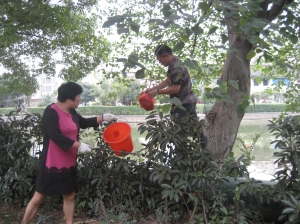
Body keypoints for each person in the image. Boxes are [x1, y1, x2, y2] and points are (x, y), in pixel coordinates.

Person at [22, 82, 118, 224]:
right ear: (69, 98)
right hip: (51, 162)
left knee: (70, 195)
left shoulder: (72, 111)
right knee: (38, 198)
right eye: (78, 96)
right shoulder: (51, 111)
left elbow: (84, 122)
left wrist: (103, 117)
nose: (80, 98)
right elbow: (55, 135)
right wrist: (79, 145)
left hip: (68, 160)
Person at [144, 44, 198, 119]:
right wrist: (152, 89)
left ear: (167, 56)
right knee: (193, 128)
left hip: (183, 104)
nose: (160, 62)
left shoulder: (177, 68)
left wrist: (157, 91)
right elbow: (168, 81)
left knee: (178, 129)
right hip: (189, 101)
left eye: (160, 60)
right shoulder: (174, 64)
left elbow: (175, 89)